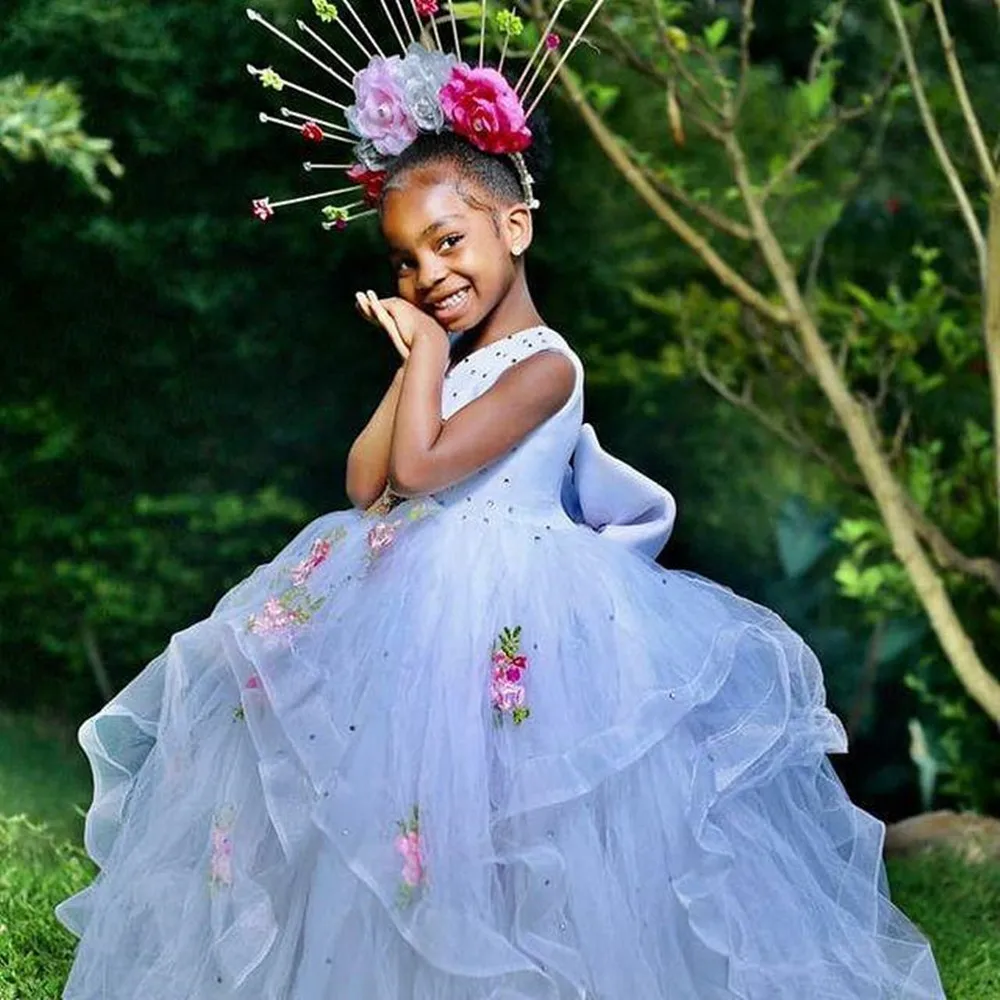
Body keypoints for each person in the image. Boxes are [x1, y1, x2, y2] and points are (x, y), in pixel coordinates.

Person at [55, 6, 947, 999]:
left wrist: (428, 355)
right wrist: (411, 369)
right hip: (407, 594)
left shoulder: (544, 367)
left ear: (512, 224)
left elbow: (428, 470)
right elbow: (368, 481)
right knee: (396, 800)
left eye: (446, 242)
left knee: (518, 804)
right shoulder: (451, 362)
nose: (428, 274)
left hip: (512, 602)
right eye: (405, 258)